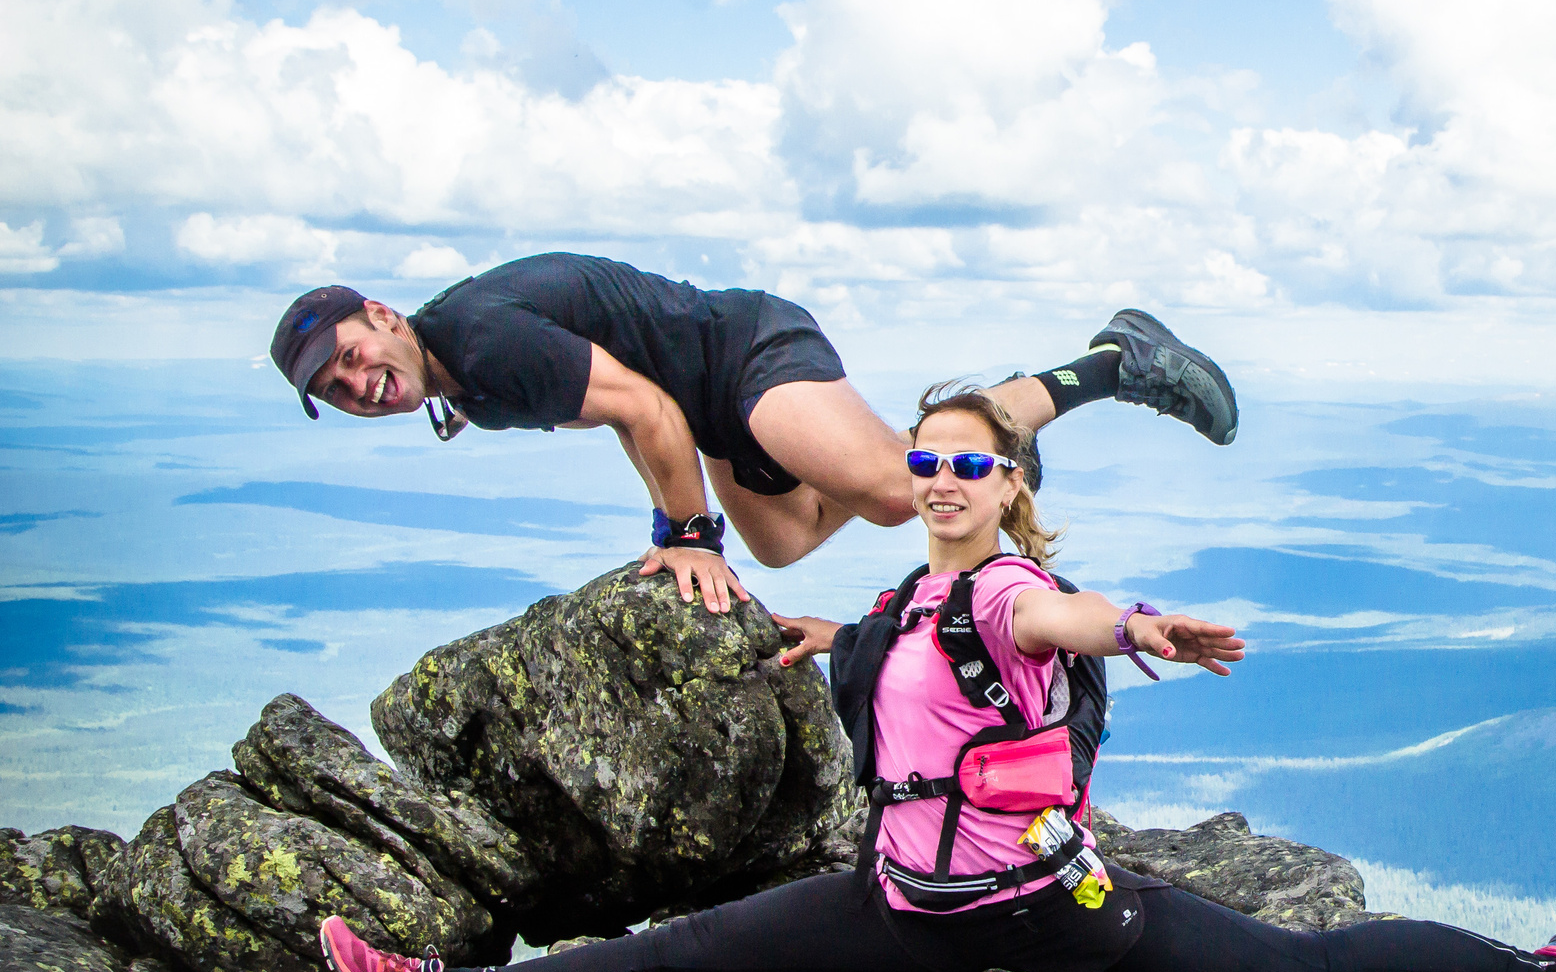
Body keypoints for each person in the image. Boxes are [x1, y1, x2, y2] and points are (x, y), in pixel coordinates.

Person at [318, 384, 1556, 972]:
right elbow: (907, 656)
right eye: (924, 457)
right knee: (681, 954)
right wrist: (824, 635)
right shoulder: (910, 593)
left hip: (1050, 908)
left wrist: (1145, 628)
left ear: (1006, 481)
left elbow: (1063, 620)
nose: (943, 476)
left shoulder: (1015, 590)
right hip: (902, 905)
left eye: (970, 461)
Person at [268, 253, 1238, 613]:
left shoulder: (476, 342)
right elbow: (625, 405)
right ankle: (975, 447)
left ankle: (1117, 362)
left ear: (382, 316)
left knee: (907, 493)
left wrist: (686, 534)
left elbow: (647, 412)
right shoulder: (462, 374)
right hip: (718, 412)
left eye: (351, 356)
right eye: (338, 391)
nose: (359, 384)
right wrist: (681, 510)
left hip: (743, 354)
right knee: (785, 541)